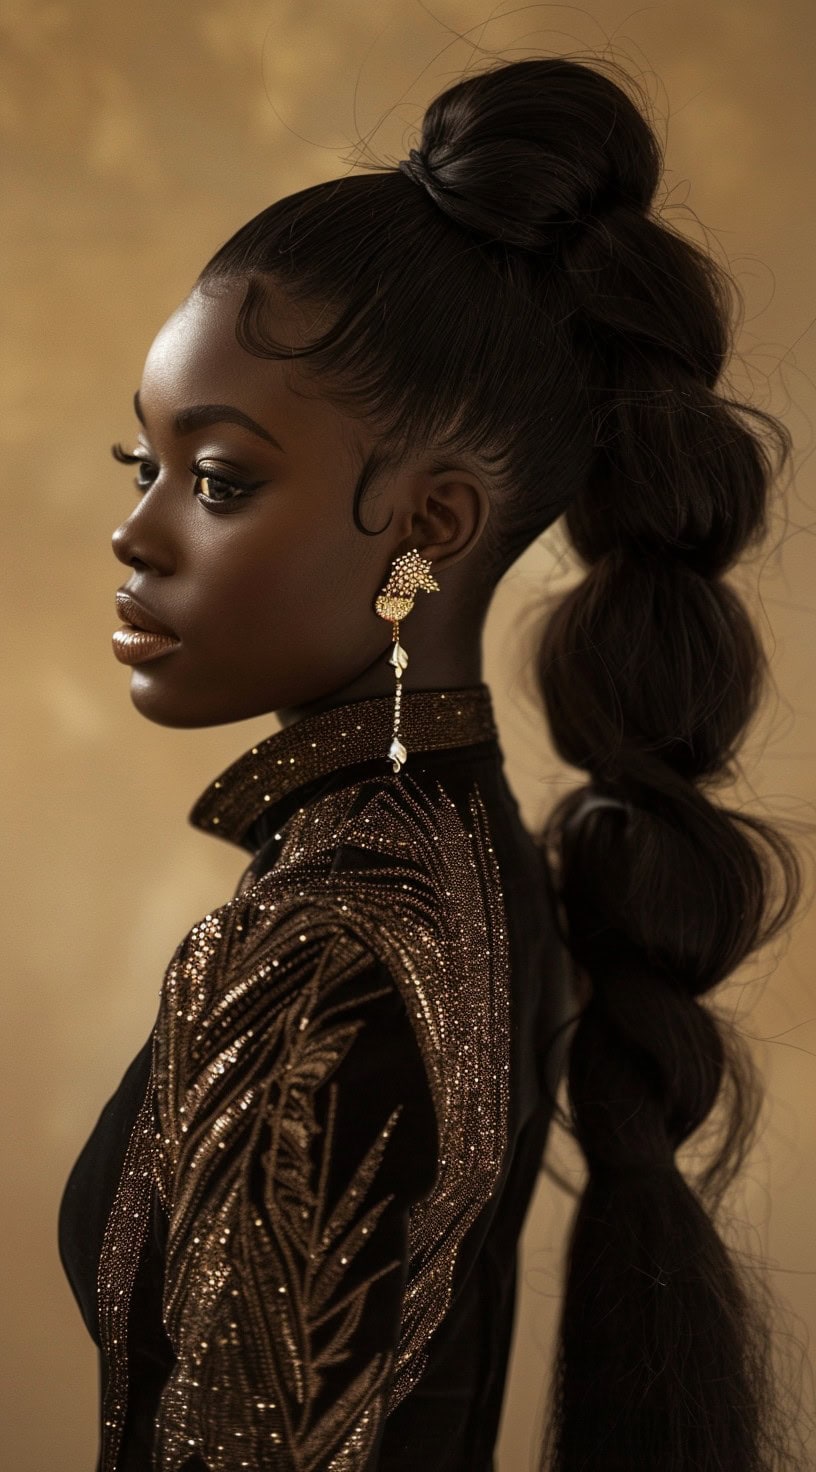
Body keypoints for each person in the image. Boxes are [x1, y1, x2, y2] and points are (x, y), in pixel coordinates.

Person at [58, 53, 807, 1472]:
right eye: (136, 462)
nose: (138, 534)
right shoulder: (443, 860)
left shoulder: (342, 942)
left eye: (217, 479)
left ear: (432, 528)